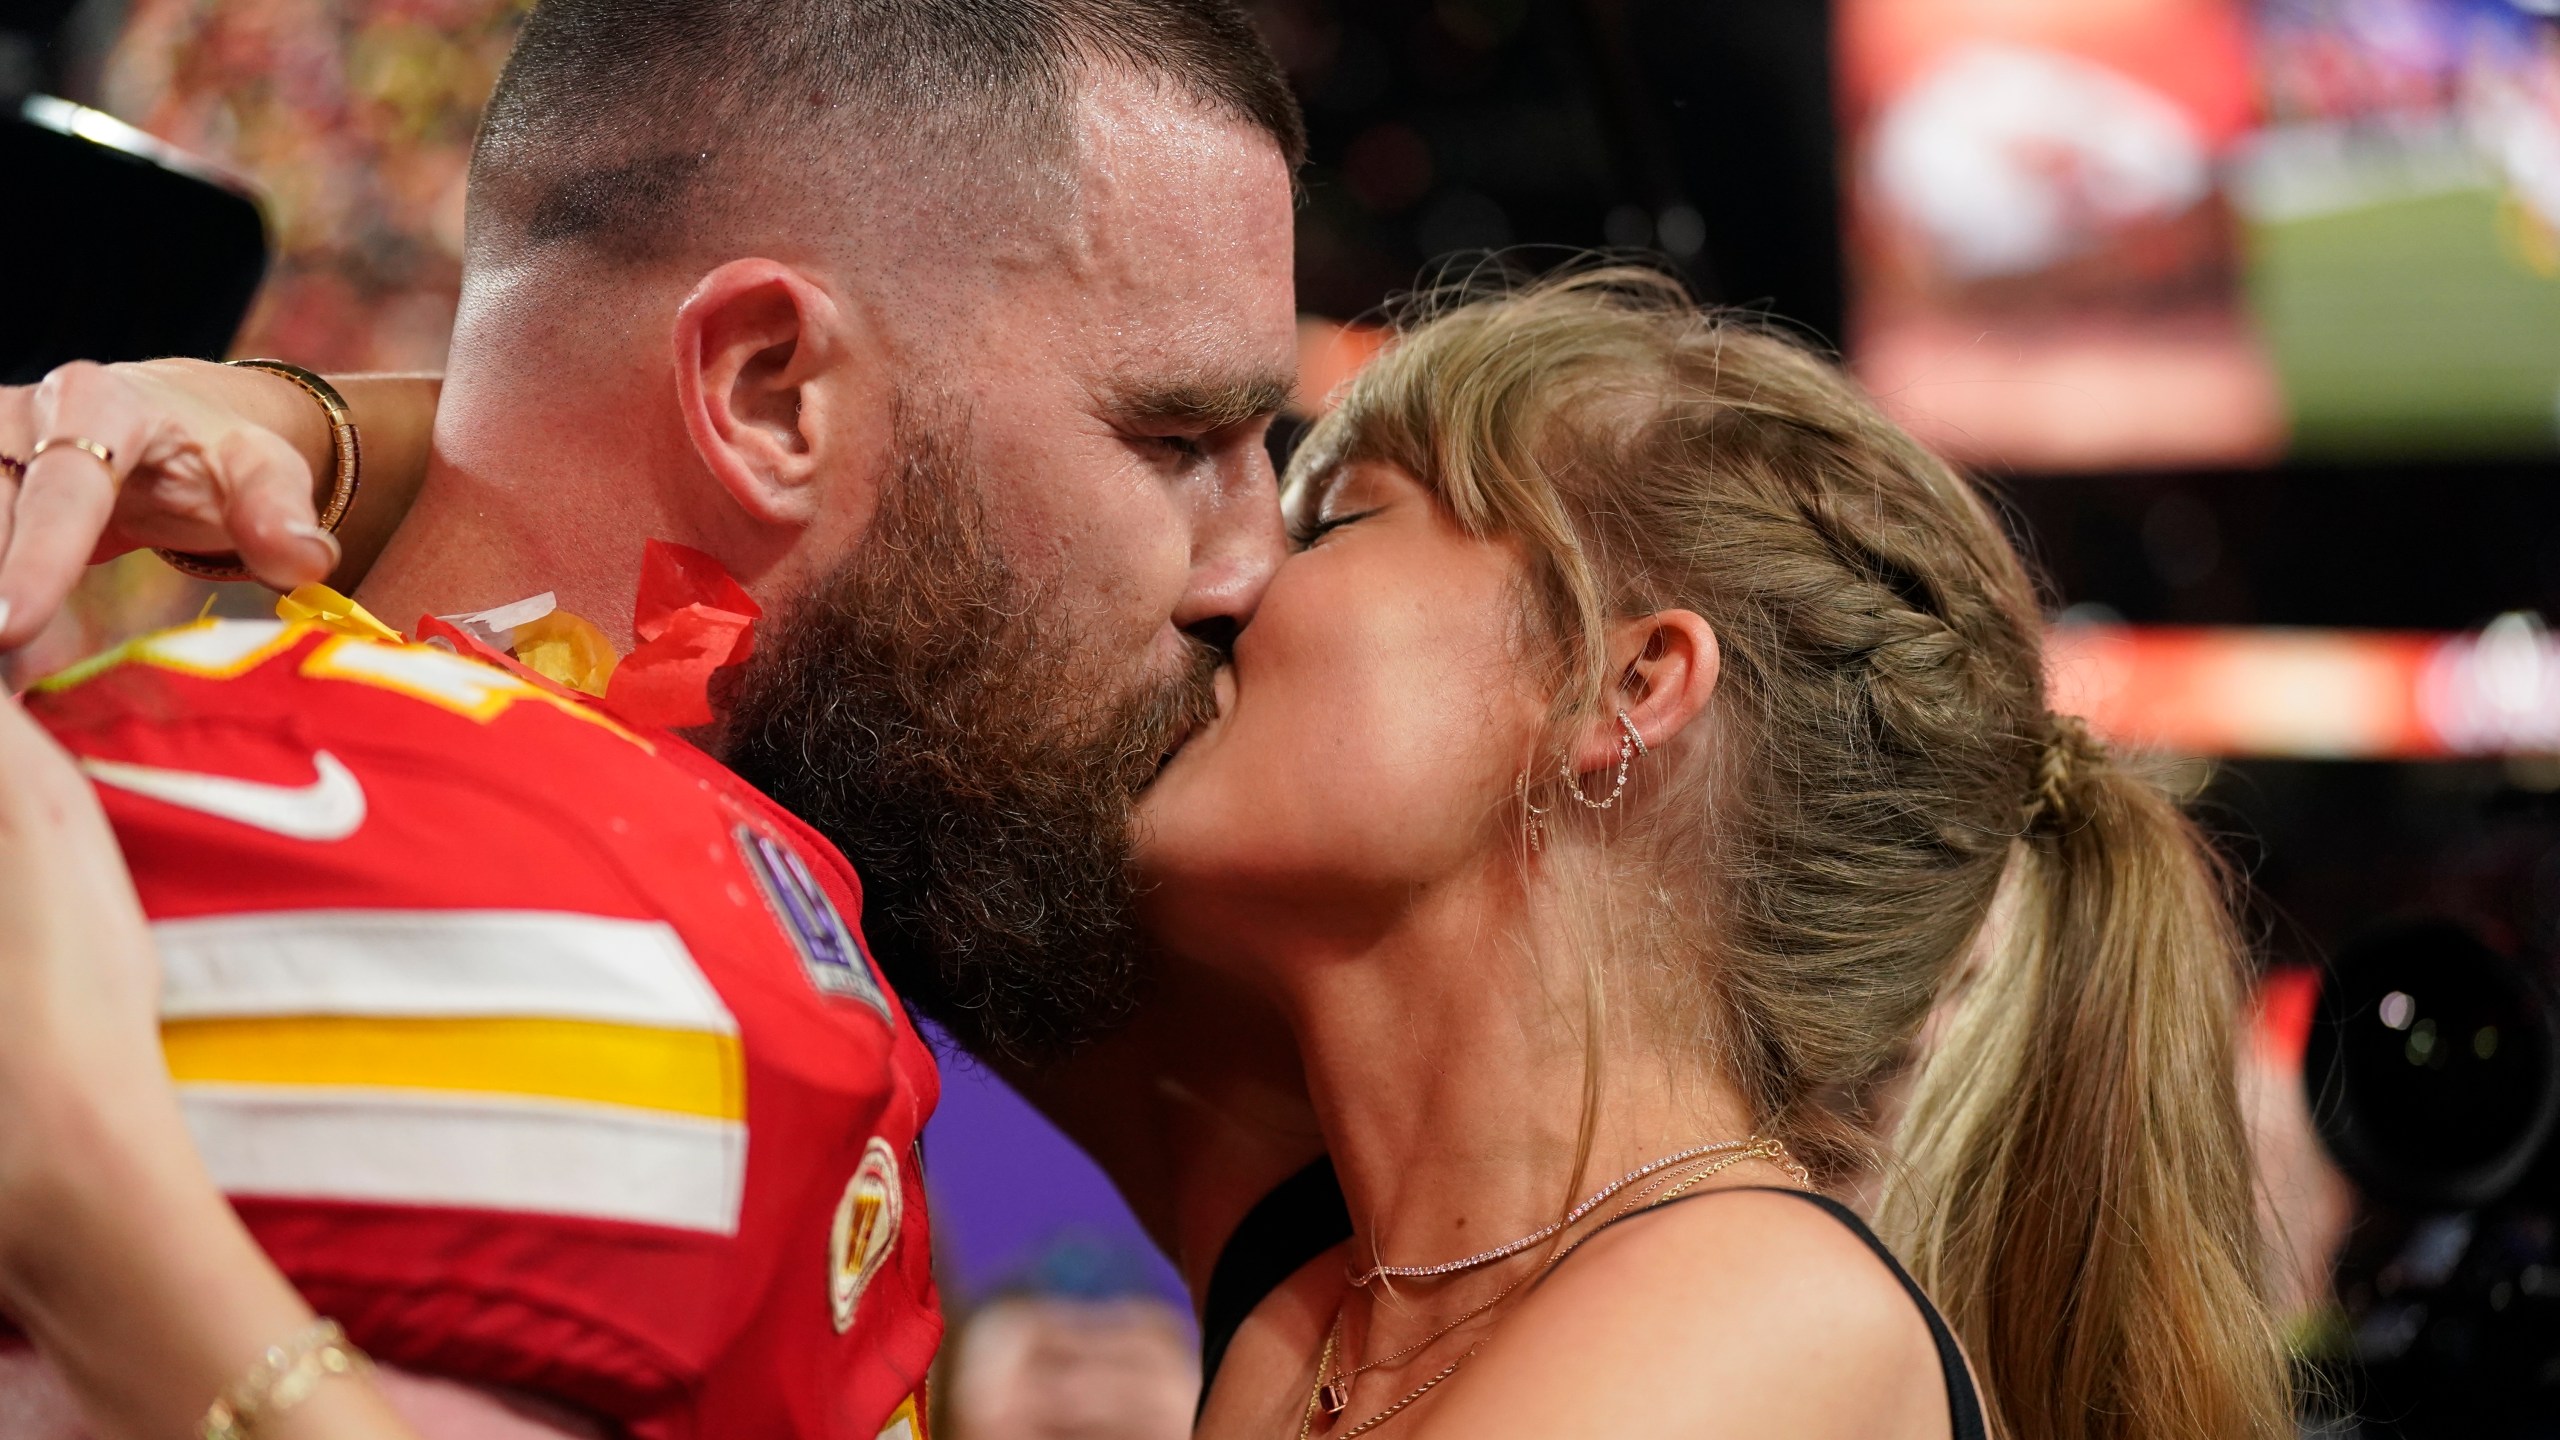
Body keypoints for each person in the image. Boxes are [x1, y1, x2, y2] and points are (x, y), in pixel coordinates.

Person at [1, 267, 2295, 1439]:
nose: (1215, 577)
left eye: (1328, 510)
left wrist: (116, 1222)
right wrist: (292, 417)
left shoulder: (1761, 1322)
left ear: (1624, 692)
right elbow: (837, 562)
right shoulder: (1323, 1245)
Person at [0, 0, 1310, 1435]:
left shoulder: (694, 854)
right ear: (765, 392)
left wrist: (301, 422)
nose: (1251, 570)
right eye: (1176, 442)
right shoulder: (451, 894)